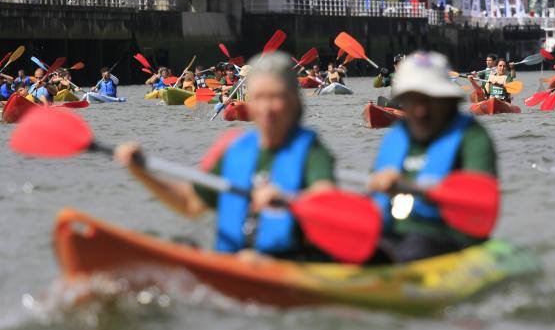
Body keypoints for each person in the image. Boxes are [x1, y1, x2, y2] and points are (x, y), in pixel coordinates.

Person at [115, 53, 337, 260]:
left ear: (294, 102)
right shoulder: (236, 150)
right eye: (259, 98)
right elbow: (190, 202)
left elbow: (326, 198)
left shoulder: (311, 150)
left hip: (287, 265)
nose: (266, 108)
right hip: (231, 262)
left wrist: (289, 200)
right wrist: (140, 172)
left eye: (275, 97)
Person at [368, 51, 497, 262]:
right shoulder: (396, 136)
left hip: (446, 237)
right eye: (412, 100)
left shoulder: (472, 137)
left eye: (429, 100)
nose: (420, 110)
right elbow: (375, 202)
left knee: (415, 247)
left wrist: (412, 187)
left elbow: (482, 201)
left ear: (447, 101)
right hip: (394, 234)